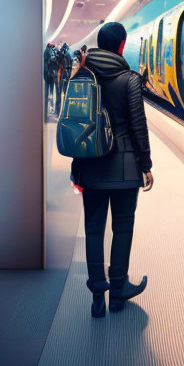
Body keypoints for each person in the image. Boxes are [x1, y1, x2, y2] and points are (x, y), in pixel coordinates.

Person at [70, 22, 154, 317]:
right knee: (123, 227)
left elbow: (76, 120)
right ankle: (118, 290)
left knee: (94, 230)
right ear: (121, 46)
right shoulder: (129, 80)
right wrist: (146, 165)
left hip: (89, 165)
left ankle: (97, 296)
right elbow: (137, 126)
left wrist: (76, 166)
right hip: (125, 166)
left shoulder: (83, 75)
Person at [43, 42, 59, 115]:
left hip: (46, 75)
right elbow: (54, 60)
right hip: (51, 75)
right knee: (51, 93)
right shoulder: (51, 52)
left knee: (46, 93)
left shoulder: (45, 52)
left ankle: (45, 109)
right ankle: (51, 108)